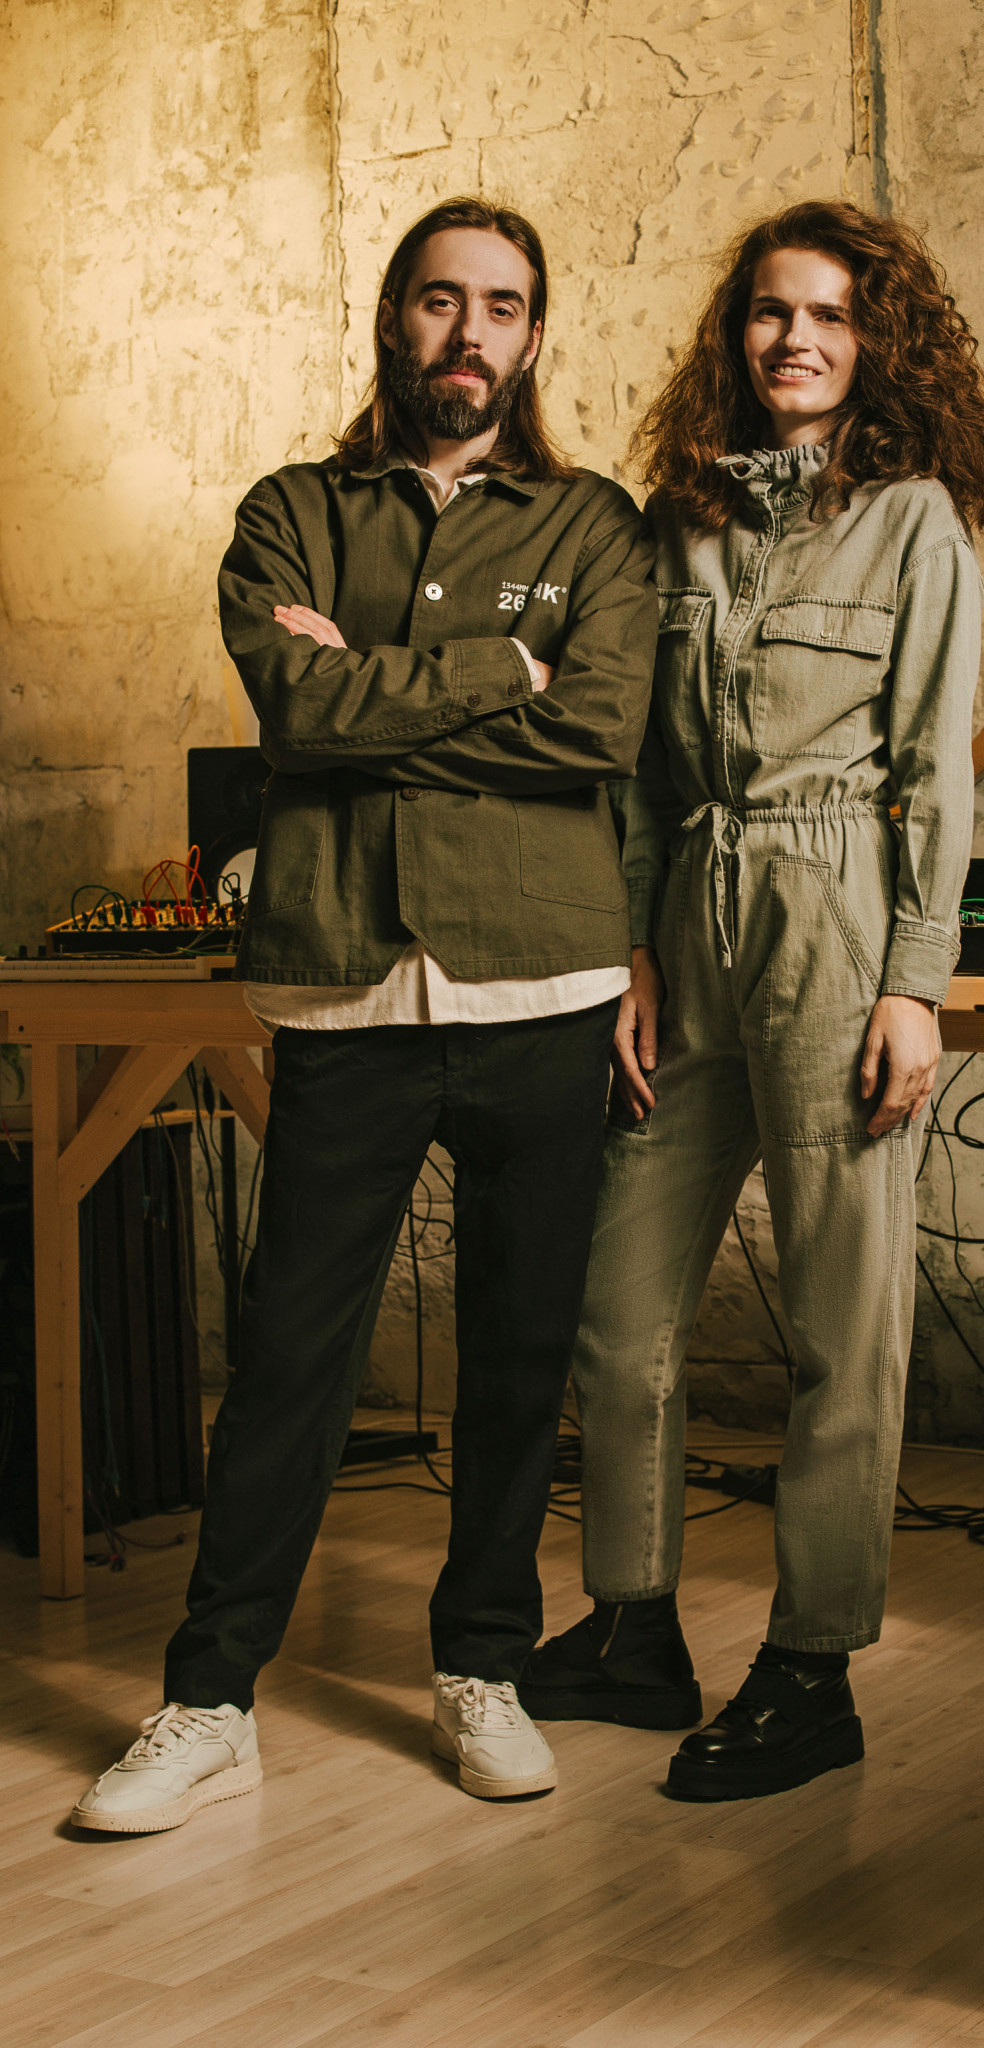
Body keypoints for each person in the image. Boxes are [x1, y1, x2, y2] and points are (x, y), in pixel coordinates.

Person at [72, 198, 656, 1834]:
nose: (470, 332)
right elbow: (294, 706)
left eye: (502, 306)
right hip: (343, 984)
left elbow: (601, 733)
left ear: (534, 335)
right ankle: (209, 1700)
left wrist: (374, 697)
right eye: (440, 300)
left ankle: (483, 1664)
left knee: (518, 1349)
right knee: (286, 1358)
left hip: (546, 980)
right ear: (393, 316)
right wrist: (505, 674)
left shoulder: (595, 524)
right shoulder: (290, 513)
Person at [521, 199, 984, 1800]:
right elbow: (638, 769)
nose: (791, 338)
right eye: (766, 311)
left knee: (838, 1326)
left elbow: (931, 770)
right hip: (691, 918)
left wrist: (914, 984)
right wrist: (634, 948)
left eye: (825, 314)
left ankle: (812, 1669)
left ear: (874, 342)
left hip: (837, 916)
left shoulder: (915, 523)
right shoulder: (676, 525)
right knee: (617, 1309)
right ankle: (632, 1627)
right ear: (733, 334)